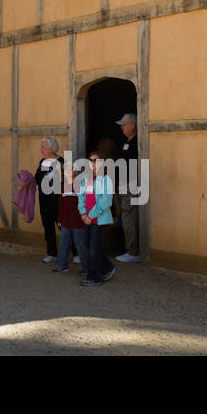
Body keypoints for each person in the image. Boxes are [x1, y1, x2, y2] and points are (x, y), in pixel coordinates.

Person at [78, 152, 116, 286]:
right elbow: (81, 197)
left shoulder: (106, 180)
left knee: (93, 248)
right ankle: (108, 267)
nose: (93, 163)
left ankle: (94, 277)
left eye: (96, 160)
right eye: (91, 160)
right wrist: (83, 213)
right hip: (87, 219)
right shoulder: (86, 180)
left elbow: (106, 202)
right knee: (89, 246)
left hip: (98, 220)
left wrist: (90, 216)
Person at [114, 113, 142, 263]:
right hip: (124, 185)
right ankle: (131, 250)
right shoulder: (128, 142)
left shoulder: (137, 142)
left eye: (124, 125)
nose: (122, 128)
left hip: (132, 186)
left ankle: (133, 252)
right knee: (126, 217)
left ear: (132, 125)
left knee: (129, 218)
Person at [54, 155, 86, 273]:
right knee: (63, 244)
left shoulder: (81, 186)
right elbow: (60, 206)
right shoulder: (63, 187)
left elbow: (84, 204)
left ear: (76, 171)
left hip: (78, 221)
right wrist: (60, 219)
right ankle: (62, 265)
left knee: (81, 246)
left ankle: (86, 267)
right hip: (66, 221)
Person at [35, 137, 63, 262]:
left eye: (43, 147)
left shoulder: (62, 161)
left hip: (58, 201)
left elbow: (67, 181)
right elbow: (37, 179)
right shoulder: (42, 162)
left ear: (51, 149)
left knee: (64, 227)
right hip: (44, 200)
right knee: (48, 227)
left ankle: (76, 253)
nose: (41, 150)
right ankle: (52, 253)